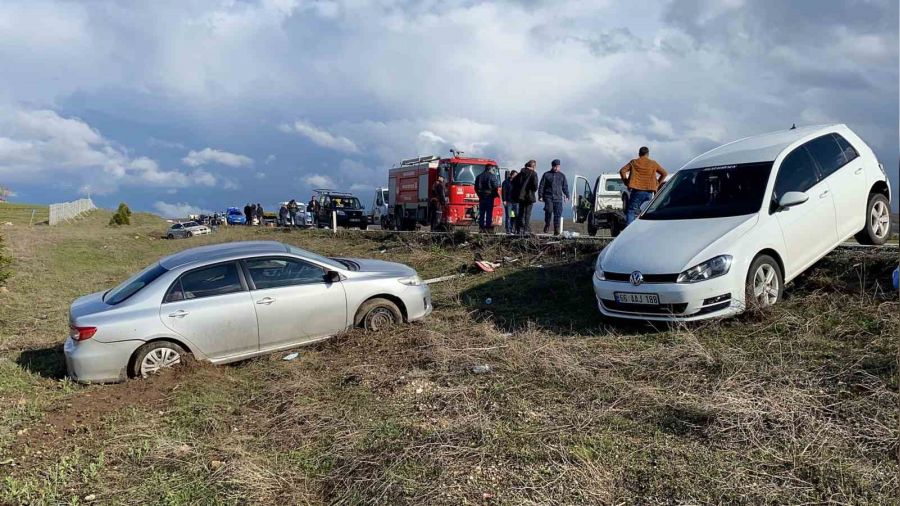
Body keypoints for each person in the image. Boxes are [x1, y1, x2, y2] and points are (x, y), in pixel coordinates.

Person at [619, 146, 668, 225]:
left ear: (639, 154)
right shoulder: (653, 163)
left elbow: (622, 171)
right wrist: (657, 184)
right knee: (645, 212)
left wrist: (626, 182)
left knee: (631, 211)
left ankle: (629, 231)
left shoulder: (634, 162)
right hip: (649, 192)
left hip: (637, 191)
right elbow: (664, 173)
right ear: (648, 154)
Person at [538, 159, 570, 235]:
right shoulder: (546, 175)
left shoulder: (562, 176)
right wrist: (540, 196)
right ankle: (547, 224)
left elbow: (565, 186)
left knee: (557, 214)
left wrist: (567, 195)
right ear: (552, 166)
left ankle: (556, 229)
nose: (557, 168)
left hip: (558, 197)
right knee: (548, 211)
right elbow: (541, 186)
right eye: (555, 166)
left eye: (558, 166)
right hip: (548, 196)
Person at [515, 160, 539, 235]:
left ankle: (519, 229)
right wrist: (533, 190)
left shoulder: (520, 173)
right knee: (527, 213)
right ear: (533, 166)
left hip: (521, 196)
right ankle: (526, 229)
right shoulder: (534, 174)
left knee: (521, 212)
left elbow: (515, 183)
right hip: (529, 195)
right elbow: (535, 186)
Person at [474, 165, 500, 233]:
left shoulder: (479, 176)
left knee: (481, 213)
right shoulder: (492, 176)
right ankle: (488, 228)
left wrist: (479, 195)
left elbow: (476, 188)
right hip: (489, 196)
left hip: (481, 197)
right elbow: (495, 186)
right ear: (490, 169)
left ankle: (481, 228)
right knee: (489, 213)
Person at [502, 170, 518, 234]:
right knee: (508, 216)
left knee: (513, 216)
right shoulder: (506, 182)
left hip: (515, 202)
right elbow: (503, 192)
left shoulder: (516, 182)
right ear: (511, 175)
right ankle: (508, 229)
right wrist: (504, 200)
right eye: (515, 175)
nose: (516, 176)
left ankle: (512, 228)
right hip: (508, 202)